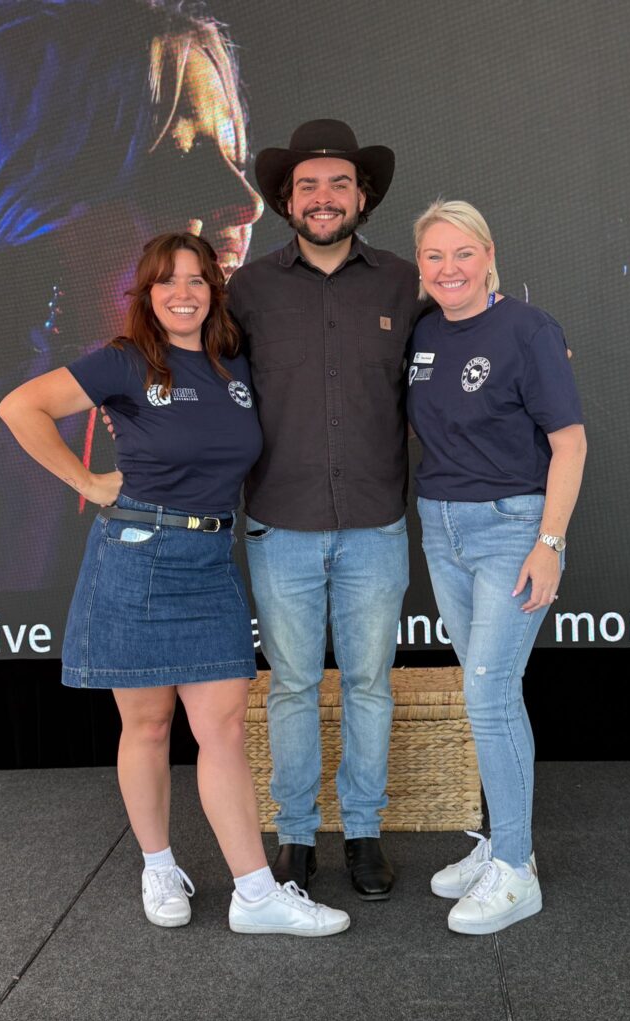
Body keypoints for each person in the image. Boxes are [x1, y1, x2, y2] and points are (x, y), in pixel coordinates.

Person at [0, 231, 350, 937]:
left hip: (211, 561)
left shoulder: (232, 365)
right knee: (148, 725)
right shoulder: (127, 362)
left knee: (221, 728)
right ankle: (159, 868)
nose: (183, 293)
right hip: (137, 553)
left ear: (213, 290)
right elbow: (19, 407)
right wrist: (88, 481)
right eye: (167, 282)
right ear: (148, 296)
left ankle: (255, 893)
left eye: (196, 279)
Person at [0, 0, 262, 591]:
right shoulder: (7, 449)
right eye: (185, 165)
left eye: (236, 160)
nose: (249, 201)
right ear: (42, 210)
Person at [227, 120, 423, 899]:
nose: (324, 197)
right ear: (285, 199)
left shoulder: (404, 283)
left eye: (339, 183)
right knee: (294, 687)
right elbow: (209, 379)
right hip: (281, 522)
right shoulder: (247, 289)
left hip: (377, 521)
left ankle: (365, 837)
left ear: (362, 195)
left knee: (371, 683)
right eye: (307, 185)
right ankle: (299, 841)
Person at [407, 200, 587, 934]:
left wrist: (550, 543)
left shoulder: (528, 330)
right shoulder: (421, 332)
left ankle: (516, 870)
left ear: (488, 255)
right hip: (439, 525)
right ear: (420, 267)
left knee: (487, 691)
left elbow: (569, 444)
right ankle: (504, 846)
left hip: (511, 528)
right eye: (434, 257)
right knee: (490, 692)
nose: (449, 269)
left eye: (462, 254)